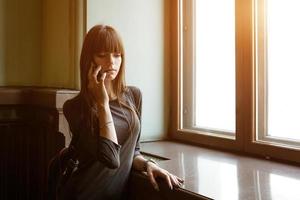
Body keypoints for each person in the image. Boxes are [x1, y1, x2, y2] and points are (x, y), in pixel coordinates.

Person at [57, 24, 183, 199]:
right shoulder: (75, 107)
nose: (111, 62)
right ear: (89, 60)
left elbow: (133, 150)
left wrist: (148, 164)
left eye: (117, 55)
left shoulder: (134, 96)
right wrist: (103, 103)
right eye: (102, 55)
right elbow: (111, 158)